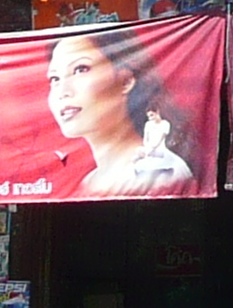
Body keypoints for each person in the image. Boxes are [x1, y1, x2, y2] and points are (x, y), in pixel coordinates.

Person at [45, 31, 197, 197]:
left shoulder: (160, 171)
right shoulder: (90, 182)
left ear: (125, 81)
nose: (62, 92)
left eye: (81, 69)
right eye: (54, 79)